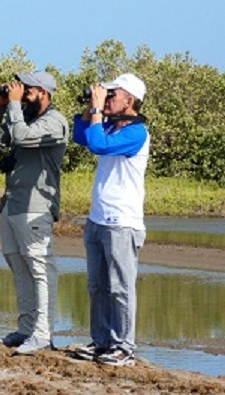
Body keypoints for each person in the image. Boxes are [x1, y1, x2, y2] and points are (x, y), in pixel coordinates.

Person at [0, 71, 69, 353]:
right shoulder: (24, 116)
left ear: (44, 92)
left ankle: (42, 334)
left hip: (36, 207)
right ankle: (26, 328)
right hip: (13, 204)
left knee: (40, 270)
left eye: (28, 89)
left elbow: (21, 135)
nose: (22, 92)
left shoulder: (55, 122)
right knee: (19, 268)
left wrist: (14, 106)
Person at [72, 73, 149, 366]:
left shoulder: (137, 133)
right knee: (97, 286)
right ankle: (102, 341)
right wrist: (89, 108)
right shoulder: (109, 126)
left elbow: (97, 146)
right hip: (98, 218)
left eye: (113, 94)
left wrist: (95, 109)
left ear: (130, 101)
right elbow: (81, 134)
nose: (108, 98)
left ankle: (124, 346)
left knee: (120, 286)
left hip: (122, 222)